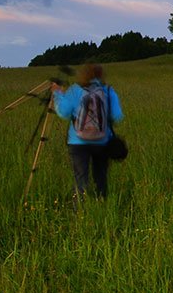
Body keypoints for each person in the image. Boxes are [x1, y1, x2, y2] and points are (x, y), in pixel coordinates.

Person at [51, 63, 124, 199]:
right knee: (101, 177)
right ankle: (101, 204)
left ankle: (79, 210)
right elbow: (117, 116)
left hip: (77, 142)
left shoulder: (75, 90)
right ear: (101, 75)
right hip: (102, 141)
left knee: (81, 178)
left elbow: (63, 112)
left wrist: (58, 94)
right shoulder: (108, 90)